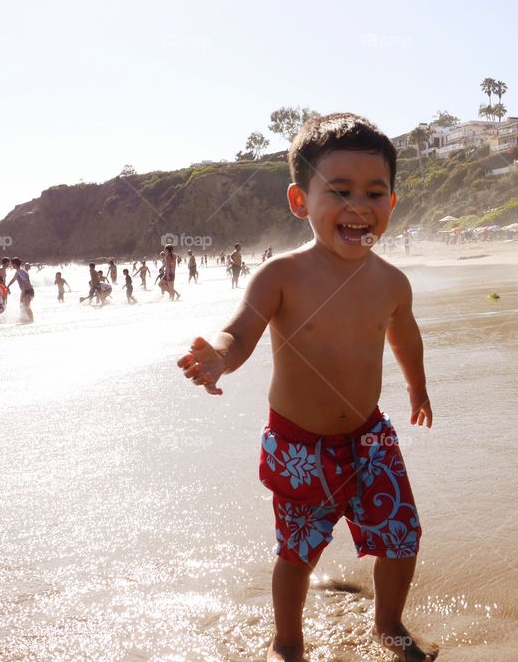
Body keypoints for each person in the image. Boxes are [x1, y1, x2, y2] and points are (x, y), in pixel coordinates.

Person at [177, 113, 437, 662]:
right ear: (300, 201)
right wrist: (218, 359)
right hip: (298, 447)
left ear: (391, 203)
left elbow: (405, 338)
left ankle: (388, 626)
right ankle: (288, 642)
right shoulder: (281, 276)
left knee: (402, 536)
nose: (358, 206)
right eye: (338, 191)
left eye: (374, 192)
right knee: (297, 552)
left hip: (370, 437)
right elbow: (240, 331)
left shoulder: (392, 282)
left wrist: (418, 389)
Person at [7, 257, 35, 322]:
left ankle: (31, 320)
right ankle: (25, 319)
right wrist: (8, 286)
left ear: (14, 264)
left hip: (27, 290)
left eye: (12, 264)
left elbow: (25, 282)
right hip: (26, 290)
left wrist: (23, 292)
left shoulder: (21, 271)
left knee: (26, 306)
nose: (11, 265)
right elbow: (14, 279)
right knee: (23, 306)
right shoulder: (18, 271)